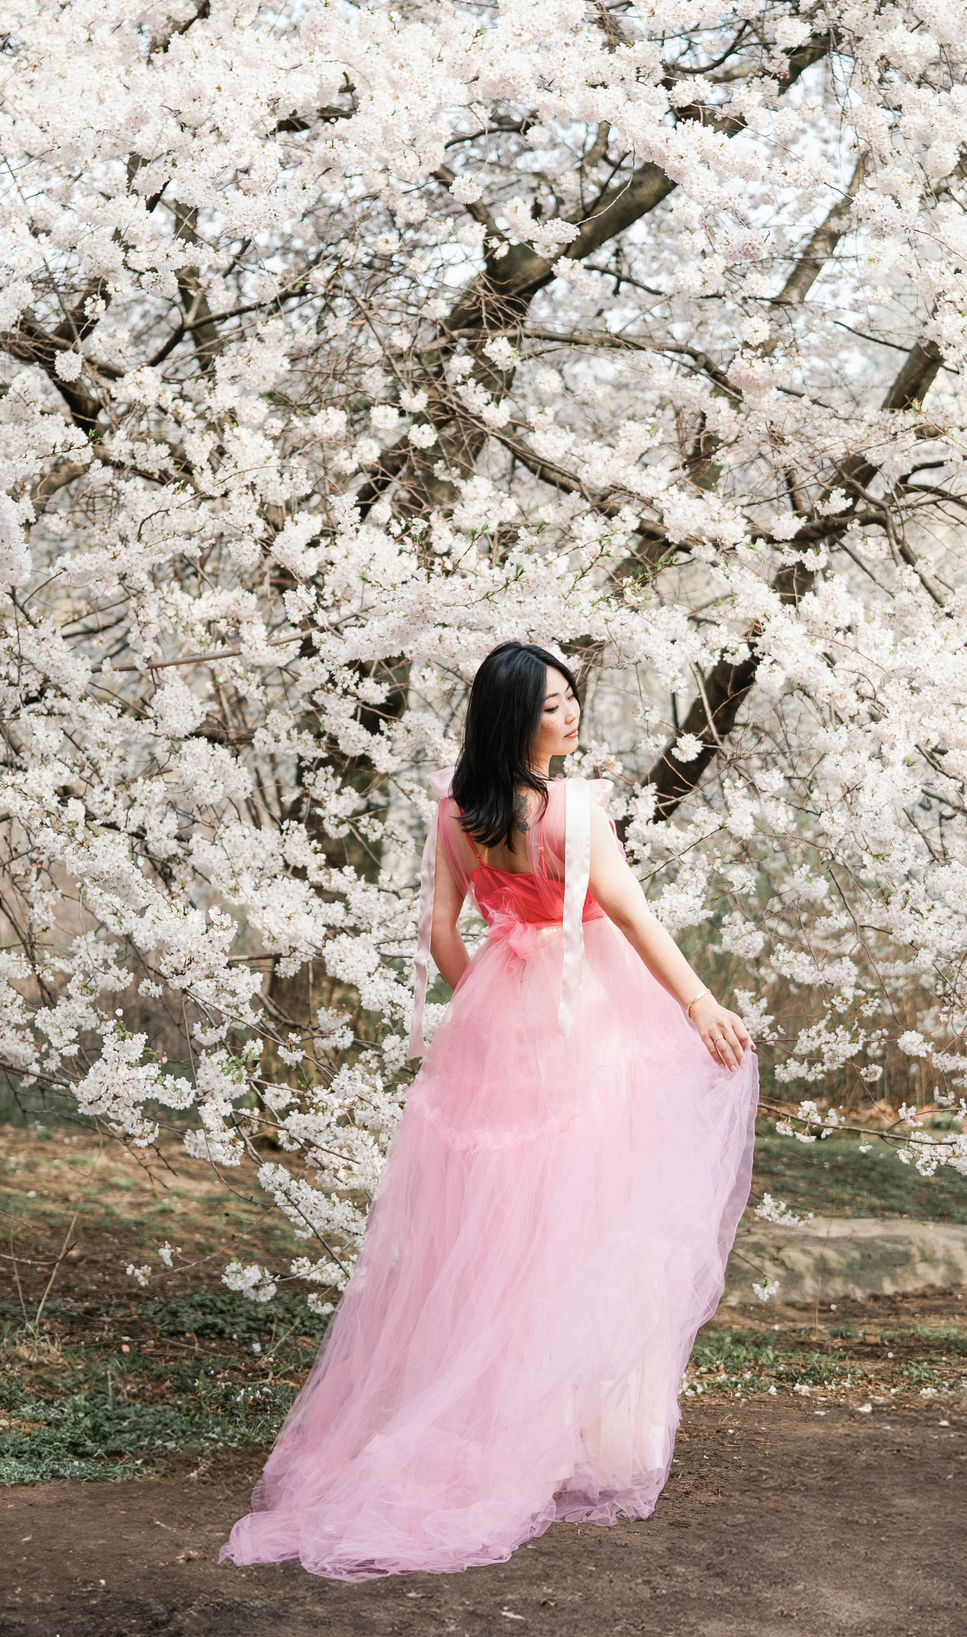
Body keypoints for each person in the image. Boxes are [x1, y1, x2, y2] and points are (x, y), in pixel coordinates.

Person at [221, 640, 760, 1581]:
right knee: (592, 1216)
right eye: (554, 705)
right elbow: (631, 917)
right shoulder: (578, 808)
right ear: (517, 719)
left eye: (572, 697)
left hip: (503, 1015)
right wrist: (699, 1003)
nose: (572, 713)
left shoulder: (452, 809)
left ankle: (507, 1414)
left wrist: (487, 1009)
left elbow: (441, 931)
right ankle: (583, 1436)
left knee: (499, 1226)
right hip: (588, 1013)